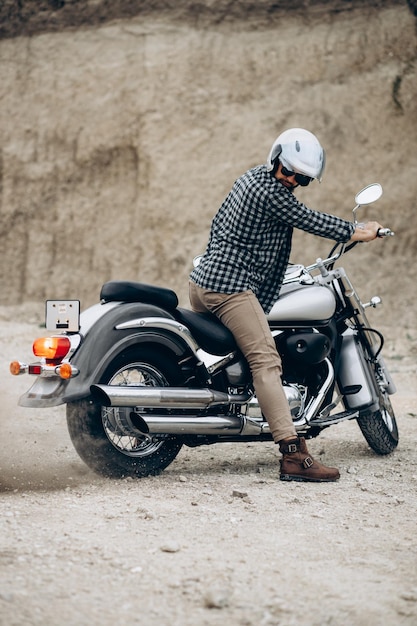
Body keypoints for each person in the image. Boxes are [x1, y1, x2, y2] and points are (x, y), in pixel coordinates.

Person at [189, 128, 384, 483]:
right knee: (265, 359)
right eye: (288, 171)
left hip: (204, 281)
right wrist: (360, 230)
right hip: (228, 288)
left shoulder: (249, 178)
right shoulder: (272, 194)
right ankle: (293, 454)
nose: (292, 179)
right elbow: (310, 220)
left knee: (247, 350)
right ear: (275, 159)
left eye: (301, 178)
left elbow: (224, 229)